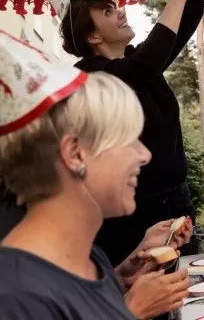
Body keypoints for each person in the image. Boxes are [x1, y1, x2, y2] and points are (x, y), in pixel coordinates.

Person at [0, 32, 190, 319]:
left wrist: (125, 275)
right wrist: (131, 312)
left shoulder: (88, 256)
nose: (144, 155)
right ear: (75, 154)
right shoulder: (17, 296)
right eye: (128, 139)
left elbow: (80, 300)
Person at [59, 0, 204, 266]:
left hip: (177, 202)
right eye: (109, 11)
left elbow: (187, 20)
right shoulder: (93, 77)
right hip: (132, 215)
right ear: (93, 35)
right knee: (142, 290)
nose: (121, 12)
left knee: (186, 287)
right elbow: (147, 61)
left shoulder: (138, 65)